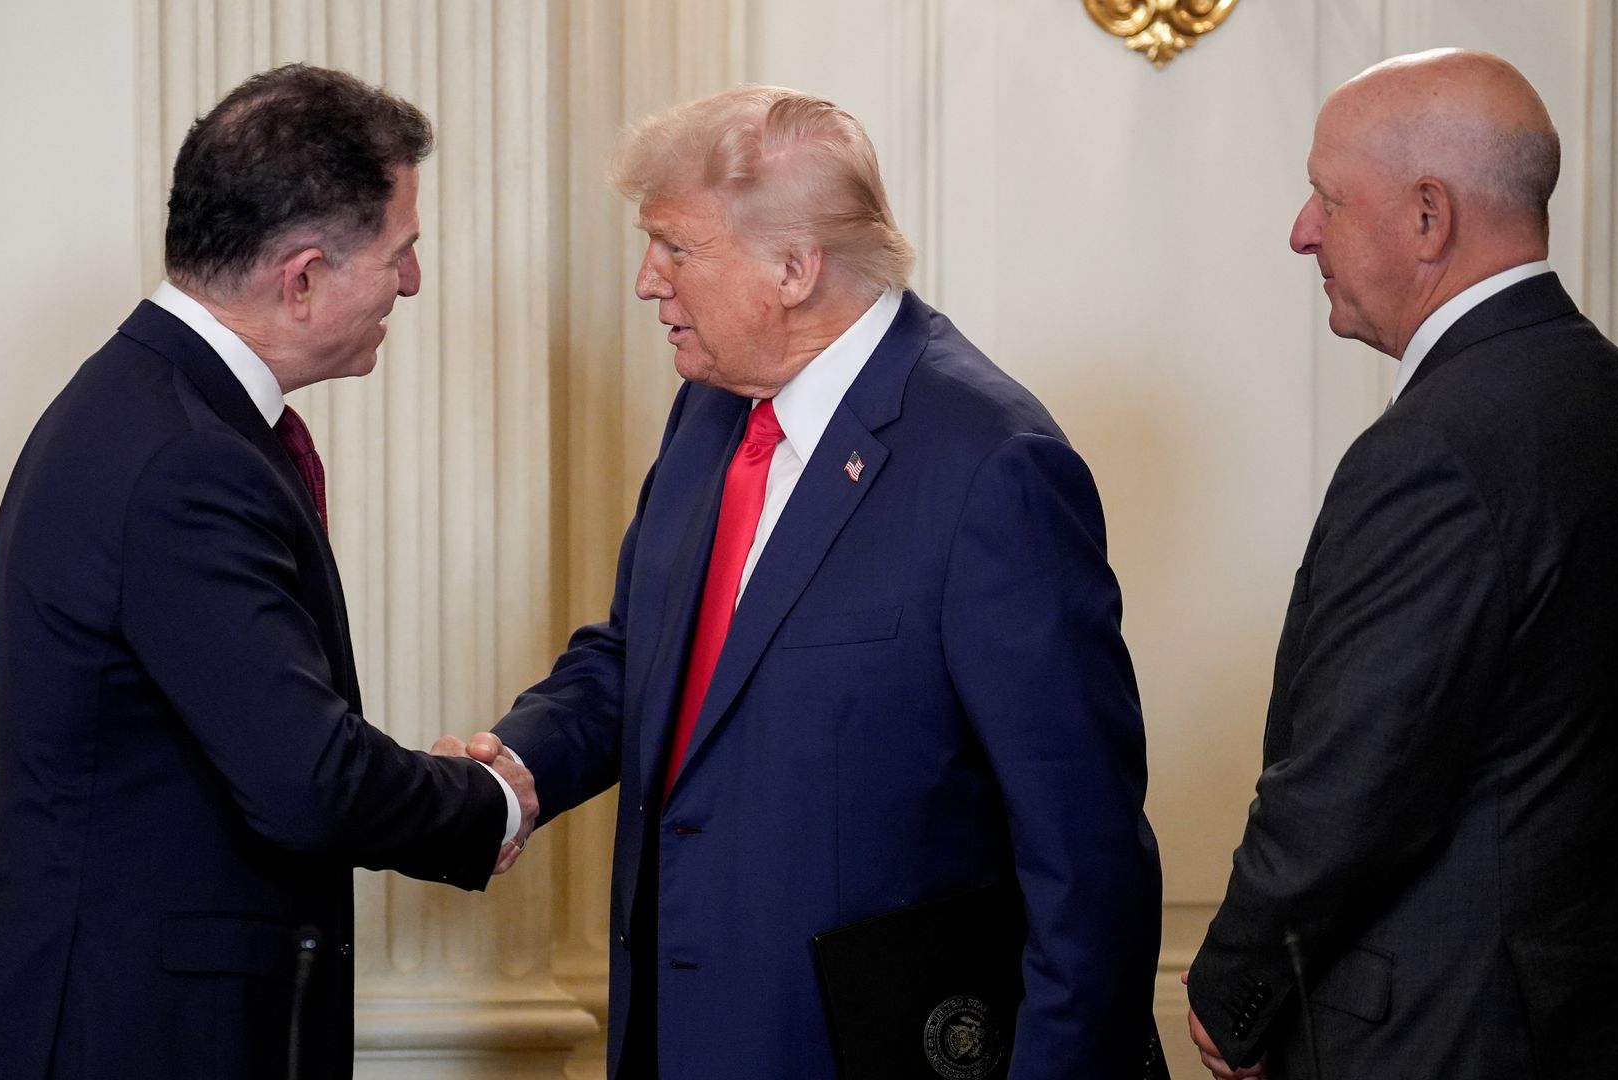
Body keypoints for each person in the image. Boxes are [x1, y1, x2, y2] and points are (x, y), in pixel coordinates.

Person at [463, 85, 1161, 1079]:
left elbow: (1085, 854)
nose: (647, 281)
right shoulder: (709, 410)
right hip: (676, 1037)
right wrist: (514, 770)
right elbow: (642, 658)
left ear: (794, 269)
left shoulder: (993, 464)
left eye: (675, 247)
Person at [0, 64, 536, 1079]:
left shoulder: (149, 403)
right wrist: (489, 804)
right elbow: (308, 782)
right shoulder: (186, 458)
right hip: (127, 1035)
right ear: (301, 278)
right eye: (400, 252)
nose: (413, 282)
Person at [1185, 48, 1618, 1080]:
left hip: (1446, 1036)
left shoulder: (1435, 449)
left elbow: (1348, 789)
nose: (1301, 230)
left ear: (1430, 216)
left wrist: (1229, 994)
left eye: (1328, 197)